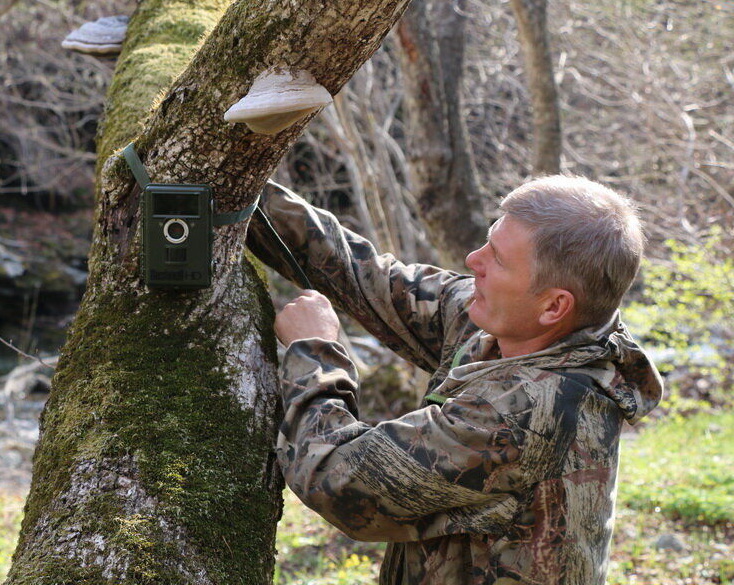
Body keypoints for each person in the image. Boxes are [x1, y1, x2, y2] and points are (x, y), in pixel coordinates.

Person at [247, 174, 663, 585]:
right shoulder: (510, 324)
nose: (472, 260)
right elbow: (361, 274)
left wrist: (314, 350)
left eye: (498, 259)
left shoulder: (524, 413)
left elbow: (335, 479)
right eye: (488, 240)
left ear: (554, 306)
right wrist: (246, 191)